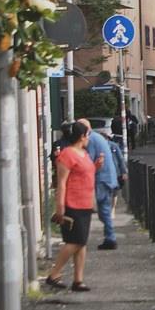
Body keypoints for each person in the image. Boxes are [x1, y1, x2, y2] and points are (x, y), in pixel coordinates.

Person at [45, 120, 102, 292]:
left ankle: (78, 280)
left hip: (85, 203)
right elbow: (62, 183)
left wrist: (95, 167)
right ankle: (54, 274)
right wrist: (60, 206)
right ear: (81, 137)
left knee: (81, 242)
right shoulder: (67, 155)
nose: (89, 138)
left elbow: (84, 173)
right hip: (72, 204)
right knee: (74, 241)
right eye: (87, 135)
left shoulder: (83, 153)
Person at [80, 118, 120, 250]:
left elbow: (89, 161)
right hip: (108, 177)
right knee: (104, 210)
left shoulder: (90, 139)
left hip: (101, 179)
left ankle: (107, 238)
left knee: (91, 208)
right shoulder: (98, 137)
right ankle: (110, 238)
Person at [106, 136, 127, 214]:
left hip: (115, 172)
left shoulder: (114, 146)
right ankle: (108, 208)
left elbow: (120, 159)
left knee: (114, 192)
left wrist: (123, 172)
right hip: (104, 173)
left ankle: (112, 209)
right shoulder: (98, 147)